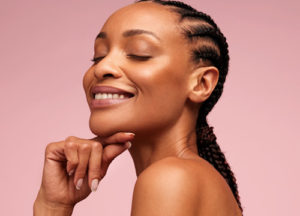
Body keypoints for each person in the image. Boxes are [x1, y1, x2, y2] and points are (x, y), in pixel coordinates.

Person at [33, 0, 243, 215]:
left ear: (201, 84)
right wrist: (53, 206)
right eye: (98, 56)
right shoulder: (191, 176)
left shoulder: (171, 177)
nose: (102, 68)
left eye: (139, 53)